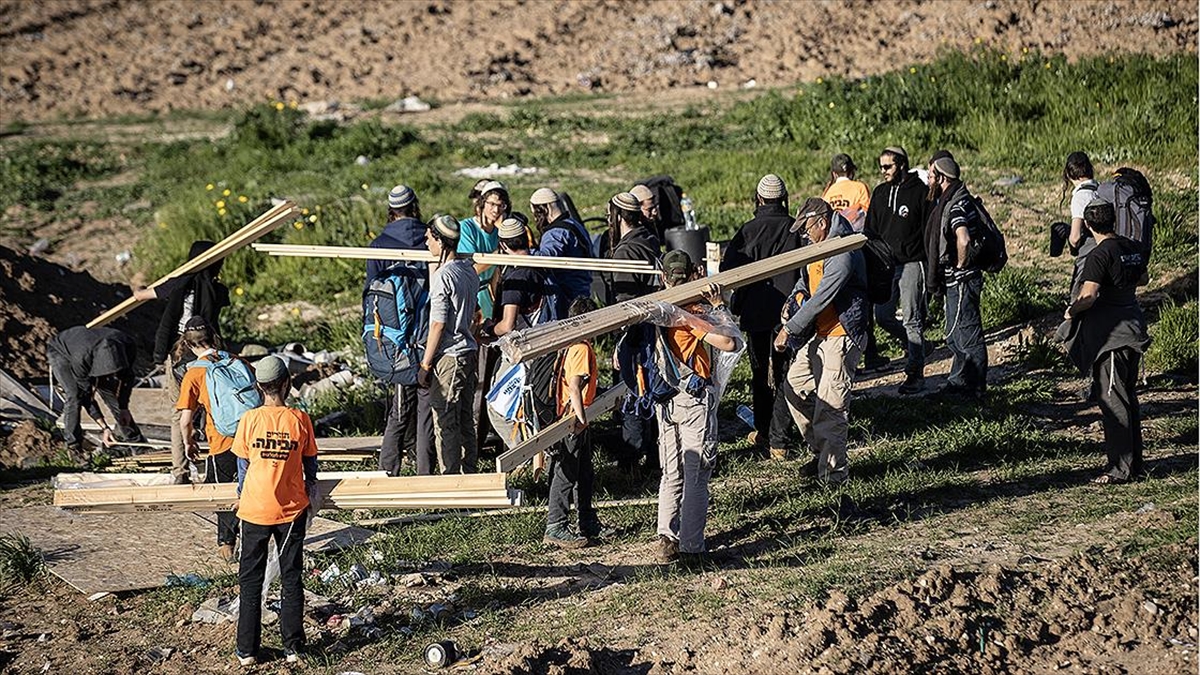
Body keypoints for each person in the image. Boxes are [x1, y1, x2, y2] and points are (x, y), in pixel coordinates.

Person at [230, 355, 318, 667]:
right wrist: (312, 487)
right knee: (291, 578)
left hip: (254, 510)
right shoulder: (299, 419)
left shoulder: (249, 420)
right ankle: (293, 647)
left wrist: (243, 494)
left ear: (259, 386)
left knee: (250, 581)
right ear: (286, 383)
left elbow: (242, 465)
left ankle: (247, 651)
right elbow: (310, 463)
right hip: (291, 512)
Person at [774, 198, 869, 485]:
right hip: (820, 334)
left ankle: (834, 478)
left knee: (831, 408)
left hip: (840, 336)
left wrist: (789, 329)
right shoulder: (817, 245)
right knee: (794, 388)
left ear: (822, 223)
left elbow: (821, 298)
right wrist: (793, 300)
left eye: (807, 230)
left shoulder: (842, 250)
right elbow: (806, 281)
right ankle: (821, 454)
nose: (804, 235)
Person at [654, 250, 739, 565]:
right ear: (691, 275)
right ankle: (691, 546)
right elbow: (729, 342)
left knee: (671, 471)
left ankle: (666, 538)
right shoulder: (688, 313)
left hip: (664, 400)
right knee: (697, 472)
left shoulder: (652, 309)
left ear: (664, 277)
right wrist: (718, 309)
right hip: (692, 400)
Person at [1062, 200, 1149, 484]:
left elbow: (1088, 296)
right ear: (1113, 221)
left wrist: (1071, 310)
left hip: (1112, 337)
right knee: (1128, 398)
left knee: (1113, 401)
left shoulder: (1100, 254)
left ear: (1088, 225)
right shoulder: (1131, 247)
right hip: (1134, 326)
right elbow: (1144, 278)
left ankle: (1120, 468)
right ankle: (1135, 464)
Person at [130, 240, 229, 483]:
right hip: (207, 353)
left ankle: (180, 473)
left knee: (178, 414)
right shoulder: (218, 290)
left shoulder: (177, 283)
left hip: (178, 354)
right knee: (212, 411)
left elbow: (142, 295)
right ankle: (214, 467)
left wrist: (142, 289)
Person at [720, 174, 803, 458]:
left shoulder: (748, 229)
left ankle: (765, 431)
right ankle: (780, 439)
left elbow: (728, 270)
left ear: (759, 199)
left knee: (759, 374)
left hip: (755, 311)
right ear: (783, 198)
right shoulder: (794, 229)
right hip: (788, 314)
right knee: (783, 374)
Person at [366, 184, 435, 476]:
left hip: (396, 341)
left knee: (398, 409)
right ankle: (425, 473)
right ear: (415, 206)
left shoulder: (380, 245)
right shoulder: (430, 239)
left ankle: (388, 471)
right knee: (426, 409)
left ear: (391, 210)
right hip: (428, 334)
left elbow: (371, 295)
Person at [175, 316, 247, 561]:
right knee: (251, 486)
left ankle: (226, 544)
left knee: (221, 491)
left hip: (221, 441)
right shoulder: (237, 361)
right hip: (250, 436)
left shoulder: (193, 373)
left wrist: (189, 442)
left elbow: (185, 421)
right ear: (213, 337)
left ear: (187, 344)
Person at [603, 191, 663, 473]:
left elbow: (625, 307)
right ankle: (654, 455)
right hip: (652, 330)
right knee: (647, 390)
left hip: (636, 333)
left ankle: (632, 461)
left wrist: (621, 341)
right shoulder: (647, 237)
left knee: (634, 393)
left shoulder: (626, 252)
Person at [487, 215, 558, 447]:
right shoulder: (540, 264)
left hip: (522, 351)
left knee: (498, 408)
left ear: (504, 245)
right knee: (528, 407)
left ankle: (524, 455)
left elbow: (507, 325)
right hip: (545, 343)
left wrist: (486, 329)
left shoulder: (516, 277)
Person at [864, 146, 931, 394]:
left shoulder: (920, 192)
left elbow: (928, 229)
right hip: (886, 266)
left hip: (912, 262)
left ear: (901, 164)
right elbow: (870, 231)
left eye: (888, 166)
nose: (883, 171)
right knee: (882, 316)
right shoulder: (880, 193)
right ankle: (919, 347)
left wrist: (930, 264)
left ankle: (915, 374)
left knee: (912, 318)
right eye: (880, 166)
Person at [418, 214, 480, 474]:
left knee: (446, 421)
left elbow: (438, 325)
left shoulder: (445, 276)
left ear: (441, 242)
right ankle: (469, 472)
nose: (426, 242)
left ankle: (451, 478)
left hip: (450, 356)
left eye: (430, 238)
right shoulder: (468, 269)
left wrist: (425, 363)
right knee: (465, 418)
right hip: (468, 350)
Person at [925, 155, 989, 399]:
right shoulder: (950, 199)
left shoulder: (957, 205)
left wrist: (960, 265)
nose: (929, 179)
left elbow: (963, 238)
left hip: (963, 278)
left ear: (941, 178)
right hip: (956, 278)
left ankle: (974, 388)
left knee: (968, 333)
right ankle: (958, 382)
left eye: (931, 175)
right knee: (954, 334)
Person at [543, 297, 604, 548]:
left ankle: (587, 521)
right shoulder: (580, 348)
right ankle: (555, 525)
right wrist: (581, 419)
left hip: (577, 418)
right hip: (573, 419)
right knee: (566, 472)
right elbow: (575, 388)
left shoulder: (571, 344)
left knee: (584, 472)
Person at [46, 325, 143, 462]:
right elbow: (86, 397)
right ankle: (74, 448)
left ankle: (138, 445)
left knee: (112, 396)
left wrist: (123, 407)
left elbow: (127, 378)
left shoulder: (127, 345)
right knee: (74, 396)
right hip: (61, 351)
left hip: (90, 348)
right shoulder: (81, 359)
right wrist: (105, 427)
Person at [529, 187, 593, 318]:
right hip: (583, 292)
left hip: (565, 300)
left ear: (544, 209)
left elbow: (544, 259)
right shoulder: (575, 225)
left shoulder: (555, 234)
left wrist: (522, 253)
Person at [1061, 151, 1100, 302]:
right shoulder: (1100, 188)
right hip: (1107, 246)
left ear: (1069, 174)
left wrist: (1069, 240)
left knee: (1078, 297)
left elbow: (1076, 237)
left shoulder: (1080, 196)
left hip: (1089, 251)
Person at [822, 153, 870, 231]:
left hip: (833, 237)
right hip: (854, 236)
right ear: (852, 172)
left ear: (834, 174)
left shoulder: (828, 192)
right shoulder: (860, 187)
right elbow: (866, 213)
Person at [630, 183, 665, 248]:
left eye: (655, 207)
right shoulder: (633, 235)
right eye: (649, 209)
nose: (654, 212)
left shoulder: (650, 226)